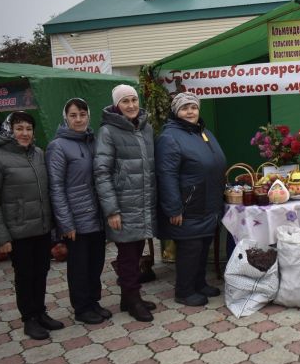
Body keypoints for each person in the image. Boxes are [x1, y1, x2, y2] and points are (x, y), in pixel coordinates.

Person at [0, 111, 64, 340]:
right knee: (25, 276)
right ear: (9, 130)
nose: (25, 133)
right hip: (18, 231)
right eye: (19, 128)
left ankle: (41, 312)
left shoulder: (37, 153)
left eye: (28, 129)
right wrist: (1, 237)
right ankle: (29, 319)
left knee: (41, 272)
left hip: (42, 228)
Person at [156, 92, 227, 306]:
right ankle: (184, 291)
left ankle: (199, 284)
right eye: (184, 108)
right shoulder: (169, 137)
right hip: (188, 205)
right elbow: (166, 175)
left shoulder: (203, 132)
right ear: (176, 111)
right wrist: (173, 209)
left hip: (208, 201)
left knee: (203, 244)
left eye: (193, 107)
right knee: (190, 248)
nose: (190, 111)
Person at [94, 85, 157, 322]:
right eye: (125, 101)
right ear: (116, 105)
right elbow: (101, 172)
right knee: (128, 255)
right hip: (123, 205)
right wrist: (112, 210)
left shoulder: (146, 128)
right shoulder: (108, 132)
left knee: (136, 250)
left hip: (143, 202)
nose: (131, 105)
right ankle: (133, 300)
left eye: (134, 100)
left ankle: (127, 298)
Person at [46, 98, 110, 325]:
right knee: (79, 267)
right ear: (66, 118)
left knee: (96, 262)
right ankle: (82, 308)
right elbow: (55, 187)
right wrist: (66, 223)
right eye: (73, 115)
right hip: (76, 219)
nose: (79, 119)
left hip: (96, 216)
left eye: (83, 114)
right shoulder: (58, 146)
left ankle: (94, 302)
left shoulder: (92, 141)